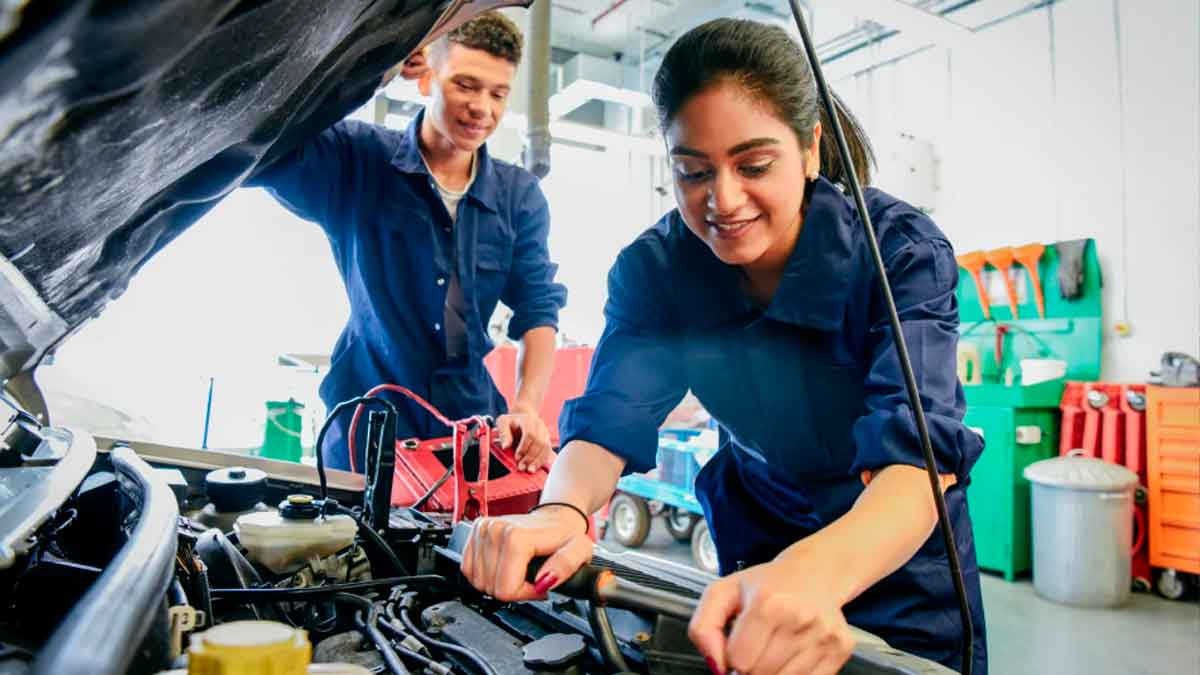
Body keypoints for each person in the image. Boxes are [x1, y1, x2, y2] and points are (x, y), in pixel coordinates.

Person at [459, 17, 987, 675]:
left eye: (755, 164)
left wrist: (809, 575)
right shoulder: (657, 271)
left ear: (812, 149)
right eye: (693, 172)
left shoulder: (899, 253)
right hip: (757, 544)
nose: (723, 199)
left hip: (897, 568)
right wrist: (561, 509)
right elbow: (609, 418)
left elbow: (918, 461)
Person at [249, 12, 566, 474]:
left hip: (469, 432)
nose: (483, 108)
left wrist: (527, 406)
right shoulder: (357, 160)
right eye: (466, 84)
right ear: (425, 79)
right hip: (368, 431)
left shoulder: (519, 198)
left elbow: (538, 308)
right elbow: (266, 143)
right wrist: (375, 68)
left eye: (498, 94)